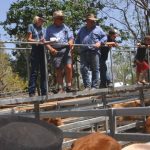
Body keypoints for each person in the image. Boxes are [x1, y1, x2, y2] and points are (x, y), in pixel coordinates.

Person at [76, 13, 107, 90]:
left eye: (94, 21)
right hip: (83, 51)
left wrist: (99, 42)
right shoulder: (81, 29)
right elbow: (77, 39)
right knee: (83, 69)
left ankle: (94, 86)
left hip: (94, 51)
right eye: (91, 21)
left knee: (95, 69)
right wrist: (76, 48)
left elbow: (105, 37)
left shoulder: (98, 29)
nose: (93, 22)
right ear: (87, 21)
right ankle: (87, 86)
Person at [45, 10, 74, 93]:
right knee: (58, 69)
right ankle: (61, 88)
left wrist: (71, 42)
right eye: (60, 18)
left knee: (69, 67)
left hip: (66, 48)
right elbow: (45, 42)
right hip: (55, 50)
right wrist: (51, 49)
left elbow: (71, 37)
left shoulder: (65, 27)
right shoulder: (49, 28)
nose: (62, 20)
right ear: (55, 19)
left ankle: (69, 86)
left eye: (62, 18)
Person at [27, 14, 46, 97]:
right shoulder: (31, 26)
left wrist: (43, 40)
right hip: (35, 50)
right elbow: (28, 39)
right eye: (41, 20)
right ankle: (32, 92)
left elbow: (44, 39)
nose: (42, 22)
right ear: (37, 19)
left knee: (44, 72)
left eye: (43, 21)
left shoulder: (44, 29)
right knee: (34, 71)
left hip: (43, 50)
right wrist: (37, 41)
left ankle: (44, 92)